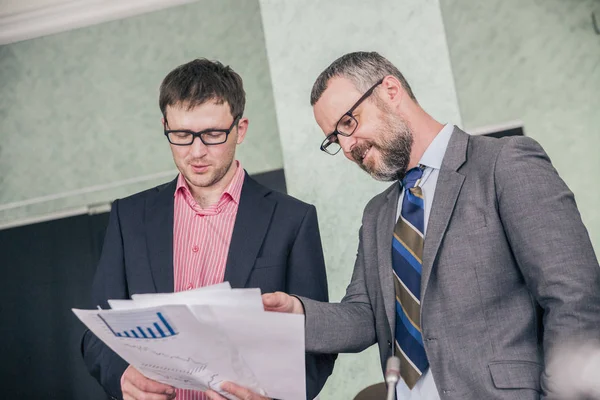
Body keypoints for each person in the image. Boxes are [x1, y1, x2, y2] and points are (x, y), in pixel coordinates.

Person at [208, 51, 600, 400]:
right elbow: (365, 316)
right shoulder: (377, 214)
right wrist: (297, 314)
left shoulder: (504, 164)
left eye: (348, 122)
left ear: (391, 90)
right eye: (333, 139)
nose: (347, 148)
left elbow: (575, 298)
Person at [81, 59, 335, 400]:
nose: (196, 152)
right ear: (165, 126)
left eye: (213, 134)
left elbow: (316, 342)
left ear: (240, 129)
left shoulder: (293, 219)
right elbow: (99, 329)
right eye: (181, 135)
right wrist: (121, 376)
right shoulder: (128, 217)